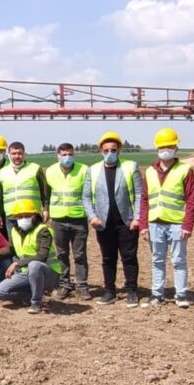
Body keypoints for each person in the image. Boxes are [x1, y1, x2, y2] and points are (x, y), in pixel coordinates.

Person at [83, 131, 144, 308]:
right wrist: (92, 217)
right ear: (101, 151)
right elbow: (86, 196)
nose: (110, 153)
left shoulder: (131, 166)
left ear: (119, 150)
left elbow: (140, 194)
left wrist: (137, 218)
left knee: (129, 257)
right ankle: (110, 291)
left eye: (113, 149)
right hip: (103, 223)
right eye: (106, 150)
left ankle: (131, 290)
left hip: (127, 221)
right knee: (108, 258)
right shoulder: (92, 170)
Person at [141, 128, 194, 309]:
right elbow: (144, 200)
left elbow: (191, 200)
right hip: (155, 223)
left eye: (170, 146)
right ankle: (157, 295)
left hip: (177, 224)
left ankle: (181, 295)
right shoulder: (149, 171)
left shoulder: (185, 170)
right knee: (157, 260)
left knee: (178, 260)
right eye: (163, 146)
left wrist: (187, 226)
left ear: (176, 147)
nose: (166, 149)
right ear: (157, 149)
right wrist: (143, 226)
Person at [0, 200, 62, 314]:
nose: (23, 219)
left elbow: (42, 256)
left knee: (35, 265)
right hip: (26, 273)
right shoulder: (15, 231)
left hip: (48, 274)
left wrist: (17, 263)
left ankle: (36, 303)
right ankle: (30, 295)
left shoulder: (43, 230)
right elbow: (11, 249)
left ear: (34, 215)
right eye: (20, 217)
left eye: (27, 216)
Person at [45, 142, 91, 300]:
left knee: (80, 254)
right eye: (64, 155)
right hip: (58, 219)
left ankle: (82, 286)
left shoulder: (84, 170)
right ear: (58, 156)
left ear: (74, 155)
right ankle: (64, 285)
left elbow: (89, 194)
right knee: (61, 254)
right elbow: (47, 194)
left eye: (70, 154)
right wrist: (46, 210)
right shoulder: (50, 171)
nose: (67, 158)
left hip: (78, 218)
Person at [0, 141, 49, 233]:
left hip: (32, 215)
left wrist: (46, 209)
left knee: (34, 244)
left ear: (24, 154)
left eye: (20, 153)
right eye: (14, 153)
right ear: (9, 155)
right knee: (14, 246)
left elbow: (44, 192)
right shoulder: (2, 172)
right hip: (12, 217)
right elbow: (0, 196)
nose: (17, 156)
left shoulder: (35, 168)